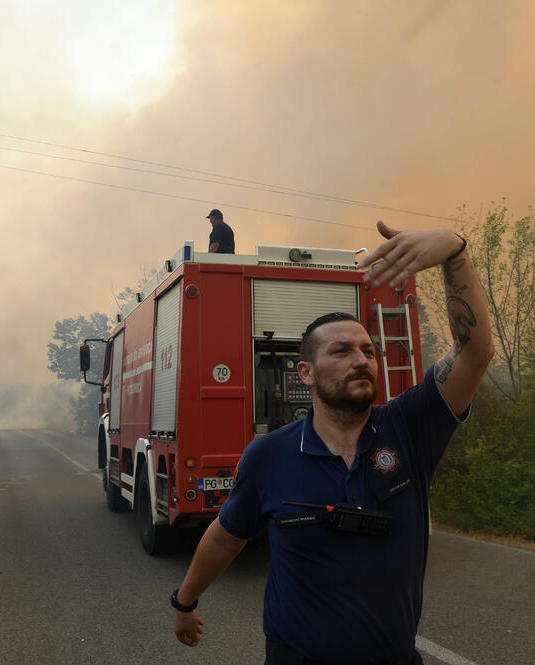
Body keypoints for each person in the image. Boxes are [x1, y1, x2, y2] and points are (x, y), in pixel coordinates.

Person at [171, 221, 494, 665]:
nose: (360, 360)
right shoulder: (269, 456)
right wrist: (184, 603)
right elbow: (225, 538)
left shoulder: (411, 428)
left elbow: (475, 353)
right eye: (341, 351)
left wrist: (456, 251)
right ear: (306, 373)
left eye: (368, 350)